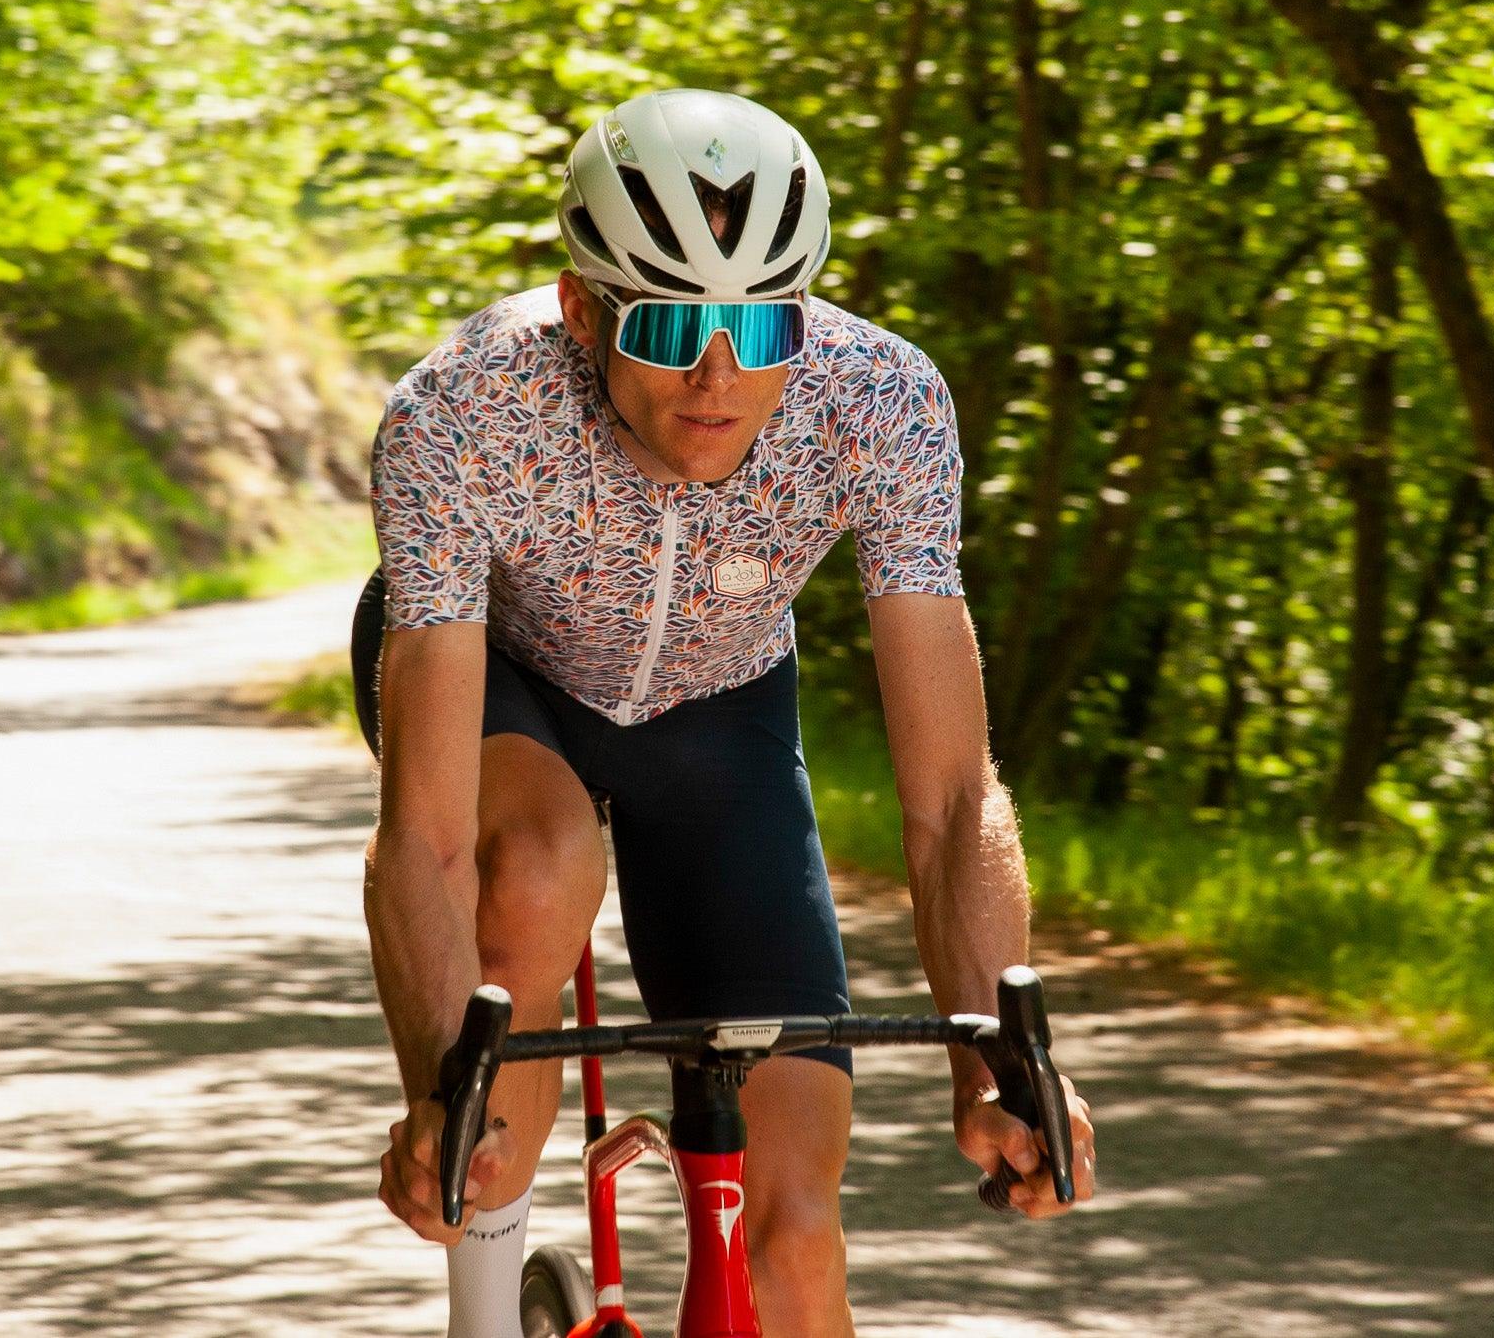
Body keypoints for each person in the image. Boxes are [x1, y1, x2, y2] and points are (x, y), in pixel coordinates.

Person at [362, 88, 1095, 1336]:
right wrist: (443, 1083)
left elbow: (951, 798)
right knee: (538, 867)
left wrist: (1000, 1059)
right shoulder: (461, 409)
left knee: (796, 1239)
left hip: (719, 701)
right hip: (500, 673)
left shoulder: (882, 401)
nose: (718, 377)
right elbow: (424, 835)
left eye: (761, 327)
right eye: (667, 325)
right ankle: (481, 1297)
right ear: (580, 307)